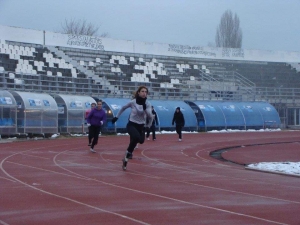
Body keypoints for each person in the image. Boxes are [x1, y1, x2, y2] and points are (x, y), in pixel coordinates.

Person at [112, 86, 153, 170]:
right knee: (135, 137)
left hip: (141, 126)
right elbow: (123, 108)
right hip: (132, 124)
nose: (144, 93)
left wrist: (148, 126)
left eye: (146, 92)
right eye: (142, 91)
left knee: (140, 141)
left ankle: (127, 155)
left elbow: (150, 116)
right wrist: (116, 117)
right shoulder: (133, 102)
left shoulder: (148, 104)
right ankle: (127, 155)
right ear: (138, 92)